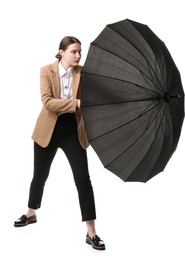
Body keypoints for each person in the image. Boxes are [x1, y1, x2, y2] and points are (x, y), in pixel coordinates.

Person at [14, 36, 105, 251]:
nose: (78, 55)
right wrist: (78, 103)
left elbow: (99, 93)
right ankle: (31, 212)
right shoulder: (46, 71)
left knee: (83, 179)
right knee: (39, 176)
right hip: (48, 129)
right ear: (61, 52)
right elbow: (48, 102)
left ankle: (91, 232)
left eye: (79, 52)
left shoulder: (83, 73)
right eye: (73, 51)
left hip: (72, 130)